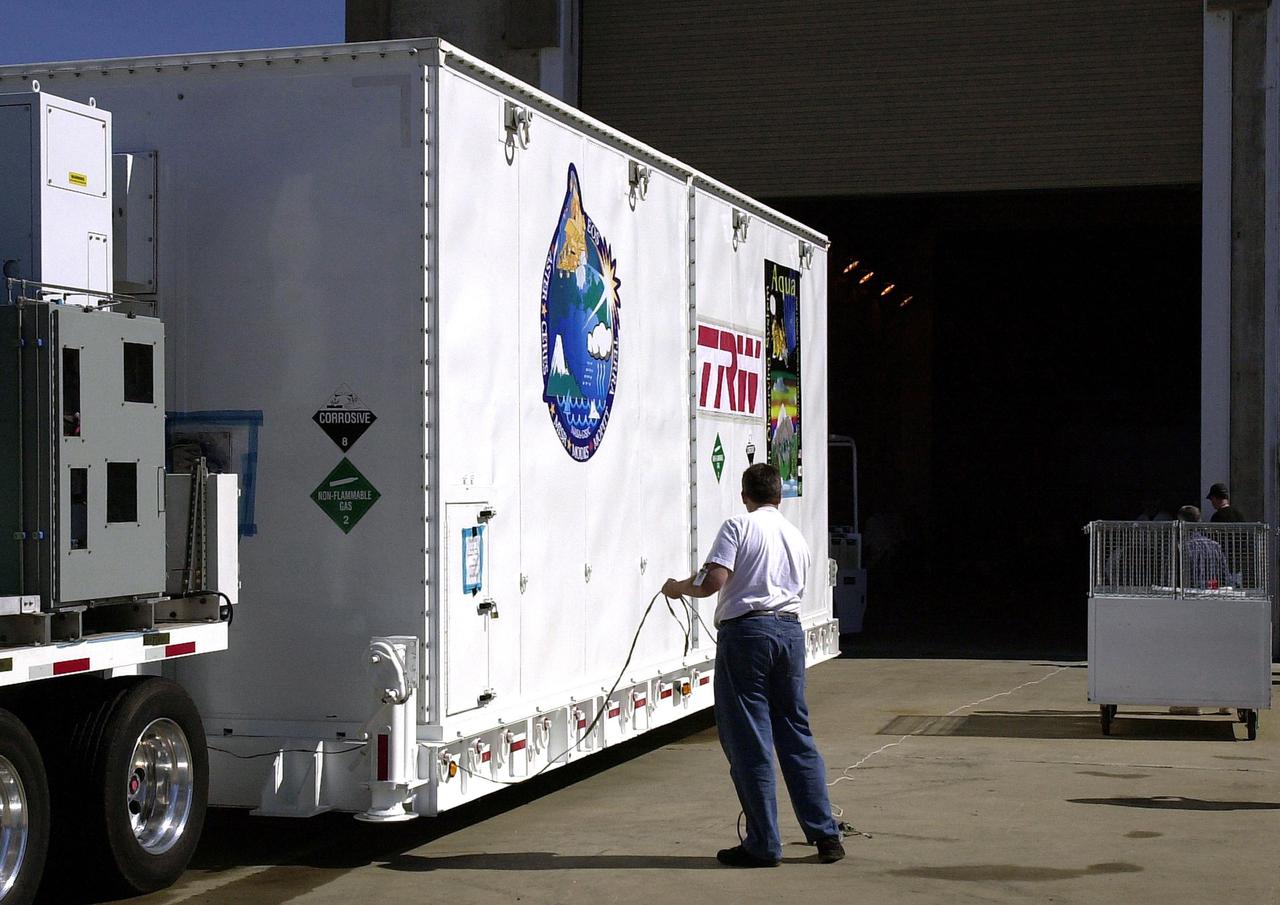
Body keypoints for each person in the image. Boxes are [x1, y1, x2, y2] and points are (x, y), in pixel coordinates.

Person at [662, 463, 844, 868]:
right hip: (789, 633)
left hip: (748, 634)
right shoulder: (797, 537)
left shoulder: (737, 527)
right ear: (778, 496)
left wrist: (678, 588)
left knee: (750, 739)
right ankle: (825, 834)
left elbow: (713, 583)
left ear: (745, 495)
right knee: (796, 734)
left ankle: (763, 843)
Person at [1176, 506, 1228, 589]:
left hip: (1188, 594)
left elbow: (1172, 576)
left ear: (1181, 522)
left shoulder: (1181, 547)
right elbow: (1225, 575)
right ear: (1199, 521)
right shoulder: (1215, 545)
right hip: (1211, 593)